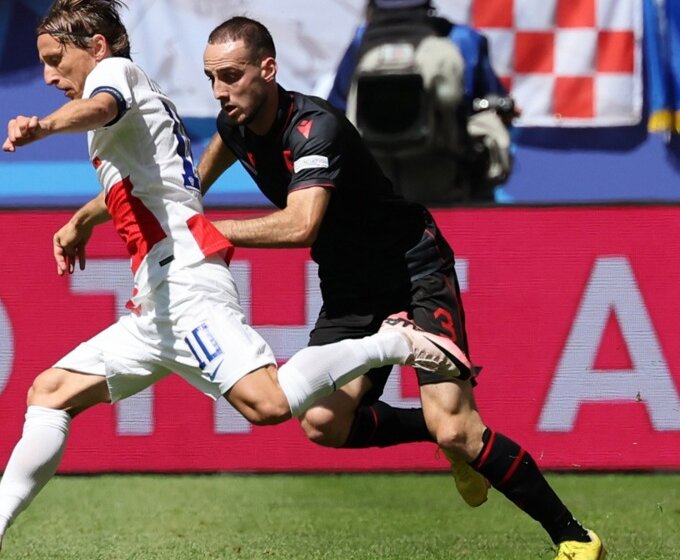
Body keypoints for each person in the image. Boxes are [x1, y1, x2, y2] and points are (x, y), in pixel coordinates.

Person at [0, 2, 471, 559]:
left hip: (184, 284)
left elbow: (99, 107)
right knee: (50, 392)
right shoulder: (136, 105)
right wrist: (82, 220)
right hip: (156, 301)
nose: (47, 76)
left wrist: (44, 126)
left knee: (269, 404)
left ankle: (393, 342)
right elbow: (152, 186)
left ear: (97, 47)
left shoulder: (115, 75)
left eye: (56, 59)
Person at [197, 16, 604, 560]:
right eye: (211, 78)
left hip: (413, 268)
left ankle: (575, 537)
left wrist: (209, 230)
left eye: (231, 75)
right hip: (350, 288)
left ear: (268, 69)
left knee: (457, 429)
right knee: (322, 422)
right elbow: (195, 181)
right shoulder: (234, 124)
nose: (220, 91)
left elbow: (301, 225)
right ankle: (435, 434)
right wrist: (153, 205)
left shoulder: (316, 127)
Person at [326, 0, 514, 203]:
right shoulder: (462, 39)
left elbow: (335, 110)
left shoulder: (361, 40)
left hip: (374, 180)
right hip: (442, 178)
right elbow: (491, 101)